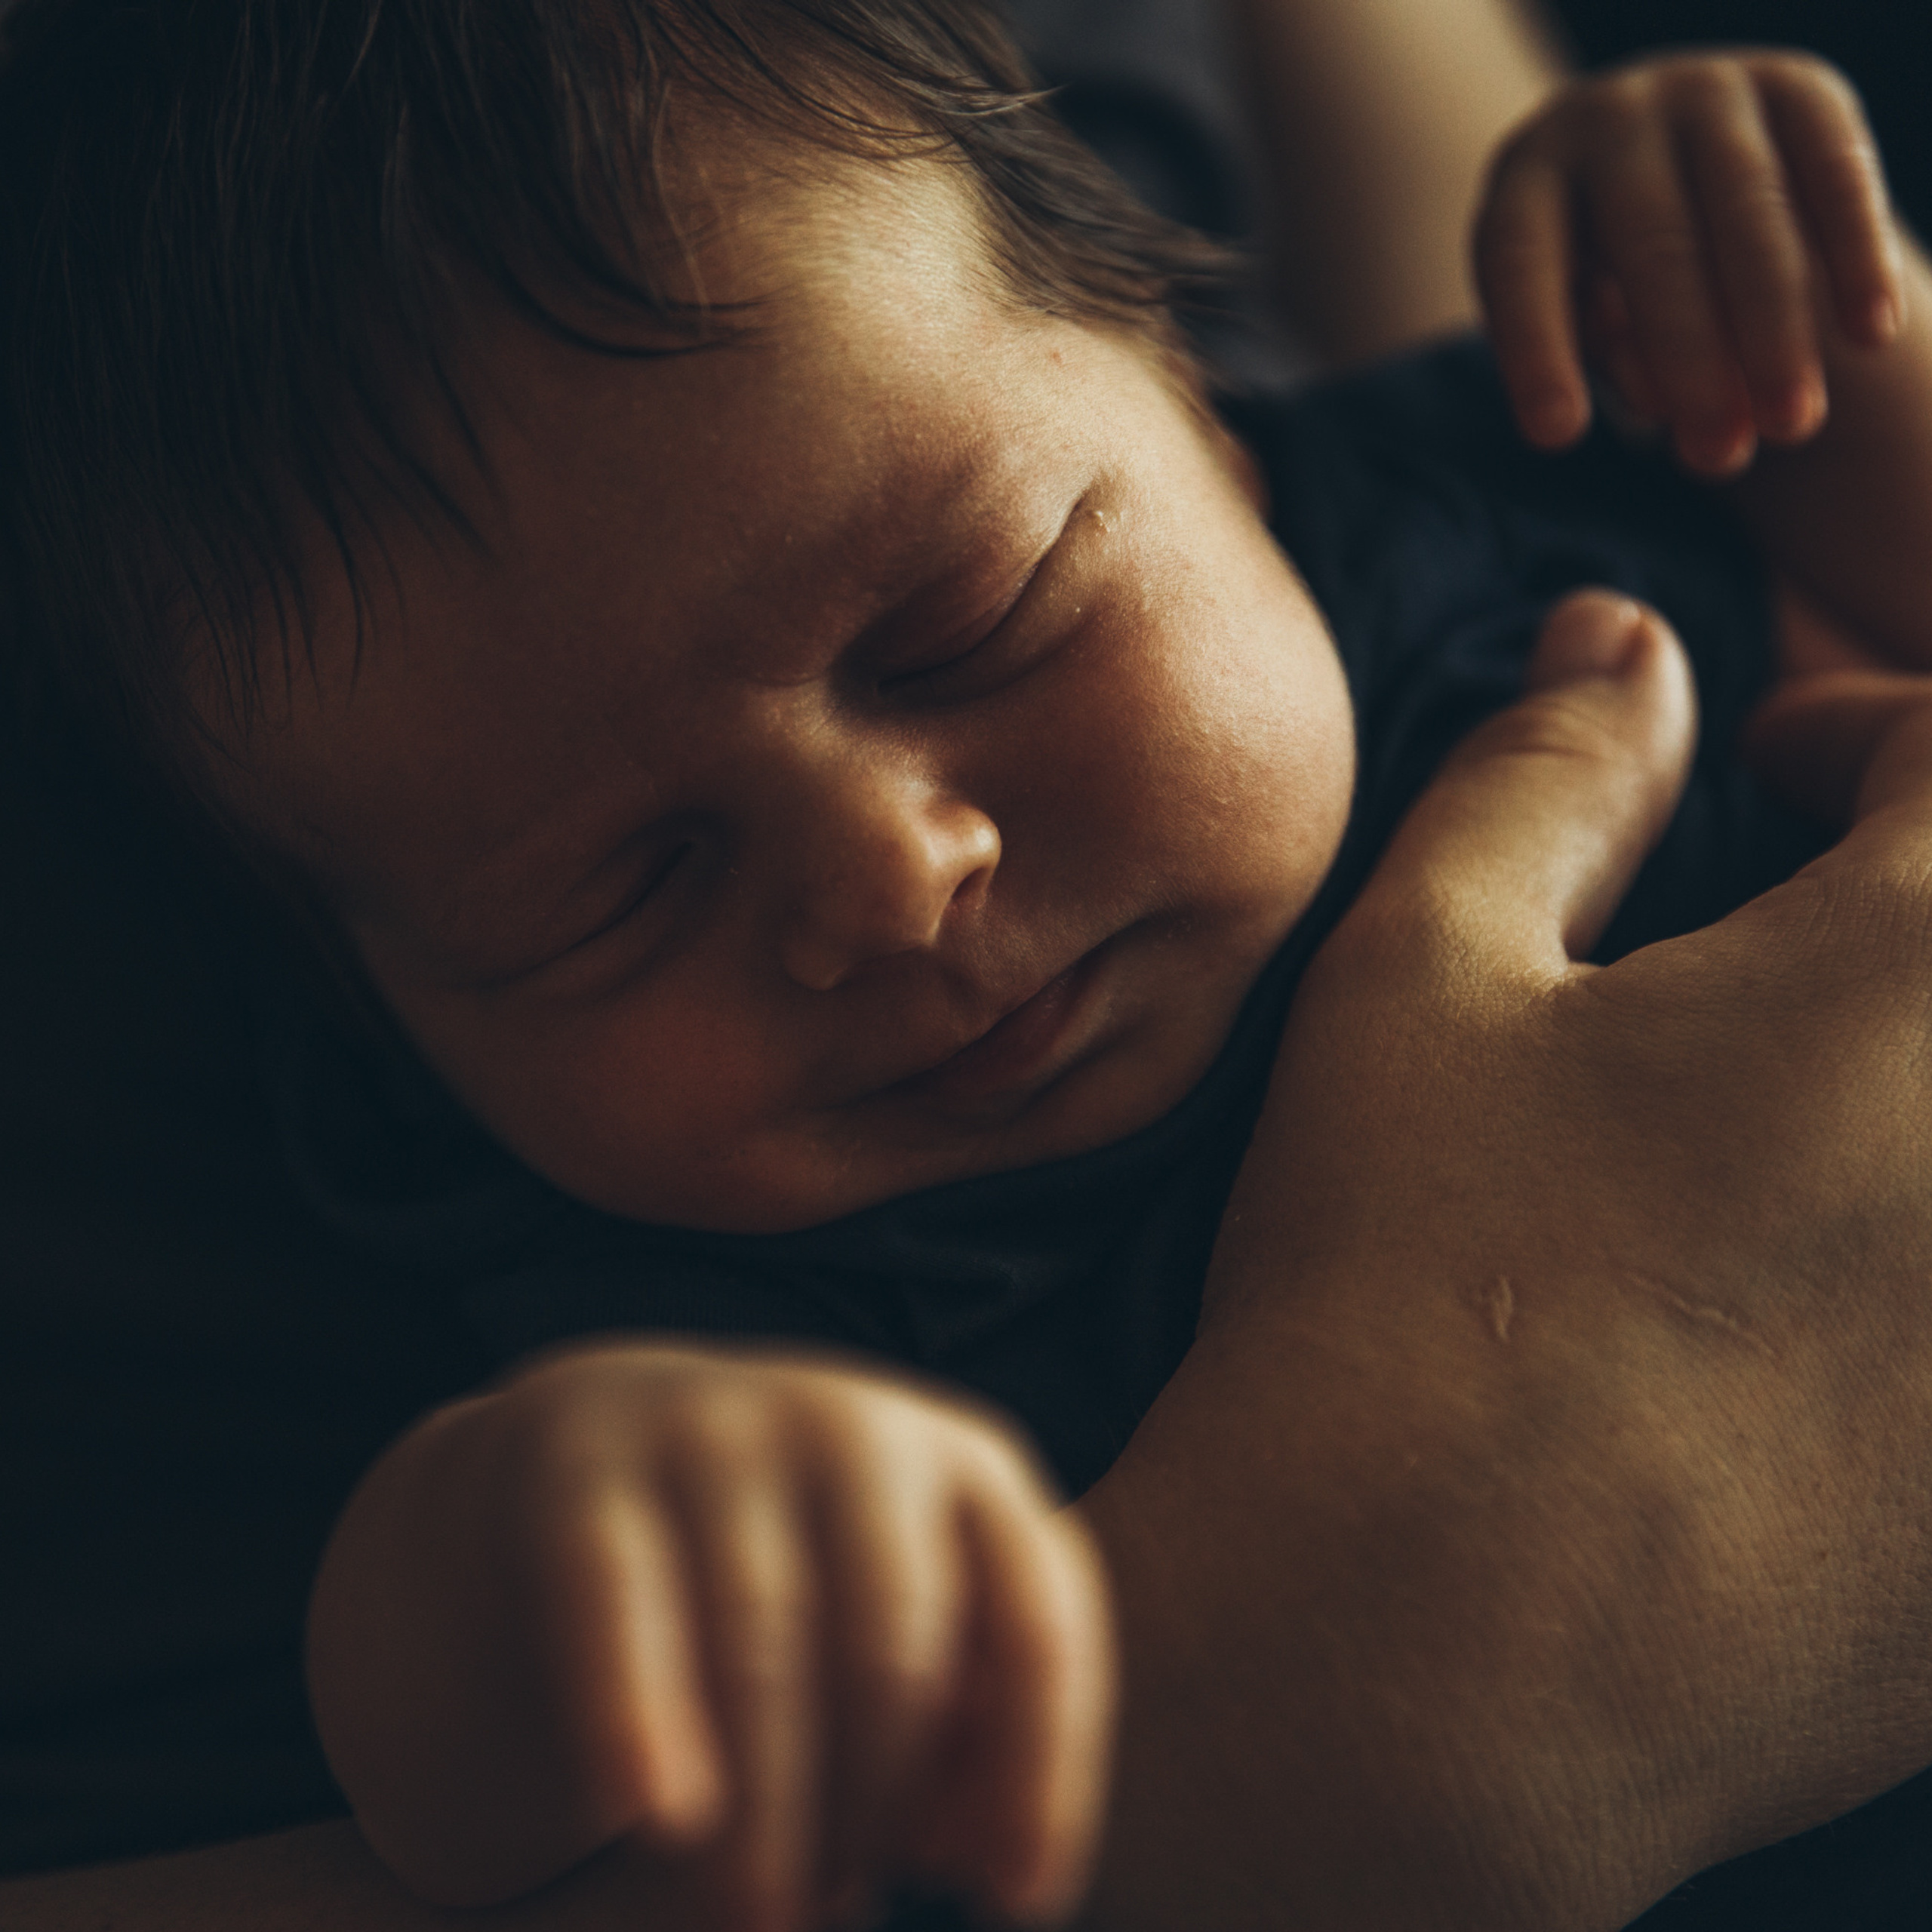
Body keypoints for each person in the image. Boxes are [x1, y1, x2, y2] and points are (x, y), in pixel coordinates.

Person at [2, 7, 1930, 1932]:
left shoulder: (1484, 539)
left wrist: (1792, 325)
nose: (891, 878)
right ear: (385, 1018)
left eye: (970, 623)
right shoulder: (655, 1303)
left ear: (1201, 406)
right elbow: (443, 1762)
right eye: (614, 892)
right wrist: (527, 1546)